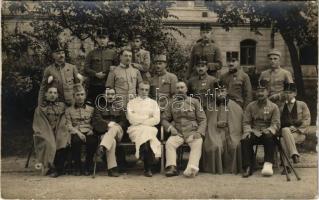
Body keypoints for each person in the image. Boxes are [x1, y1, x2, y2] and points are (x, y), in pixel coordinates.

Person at [162, 81, 207, 178]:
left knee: (197, 142)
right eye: (177, 88)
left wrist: (199, 132)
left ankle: (191, 168)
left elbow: (203, 119)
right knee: (170, 143)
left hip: (192, 132)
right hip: (178, 132)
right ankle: (172, 167)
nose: (180, 90)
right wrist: (170, 128)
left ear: (186, 89)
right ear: (175, 90)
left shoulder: (194, 102)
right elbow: (164, 119)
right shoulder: (171, 103)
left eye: (182, 87)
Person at [241, 80, 280, 178]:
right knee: (245, 140)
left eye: (263, 91)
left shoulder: (274, 107)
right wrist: (248, 131)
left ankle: (268, 164)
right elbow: (246, 122)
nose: (260, 93)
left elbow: (276, 123)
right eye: (258, 91)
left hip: (267, 132)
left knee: (269, 137)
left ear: (268, 92)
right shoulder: (251, 106)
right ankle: (248, 167)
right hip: (254, 131)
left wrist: (270, 129)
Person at [202, 80, 243, 174]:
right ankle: (216, 168)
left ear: (227, 91)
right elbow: (208, 124)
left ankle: (232, 168)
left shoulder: (235, 106)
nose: (220, 93)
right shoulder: (210, 107)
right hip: (214, 133)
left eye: (222, 90)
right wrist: (215, 124)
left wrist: (228, 126)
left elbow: (237, 125)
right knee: (215, 146)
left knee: (235, 145)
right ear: (214, 92)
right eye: (217, 91)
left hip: (231, 133)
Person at [33, 81, 69, 177]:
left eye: (55, 93)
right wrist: (49, 133)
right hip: (44, 130)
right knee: (48, 142)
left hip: (58, 130)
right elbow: (40, 123)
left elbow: (64, 120)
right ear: (45, 94)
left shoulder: (62, 106)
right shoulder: (41, 108)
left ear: (57, 95)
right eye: (50, 92)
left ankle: (60, 167)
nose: (53, 95)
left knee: (62, 139)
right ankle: (50, 167)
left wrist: (60, 129)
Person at [126, 81, 161, 177]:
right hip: (135, 129)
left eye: (146, 90)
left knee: (146, 132)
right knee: (146, 135)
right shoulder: (131, 103)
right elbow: (131, 119)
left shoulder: (153, 103)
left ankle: (142, 156)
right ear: (138, 90)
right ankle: (148, 168)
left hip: (149, 128)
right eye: (142, 89)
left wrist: (140, 120)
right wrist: (147, 118)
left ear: (148, 91)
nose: (144, 91)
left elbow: (156, 120)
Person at [92, 88, 128, 177]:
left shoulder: (120, 107)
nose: (110, 96)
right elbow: (97, 122)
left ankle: (102, 147)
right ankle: (112, 169)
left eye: (112, 94)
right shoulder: (98, 107)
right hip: (104, 133)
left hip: (118, 133)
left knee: (115, 128)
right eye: (108, 94)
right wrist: (108, 124)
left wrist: (114, 125)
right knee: (112, 142)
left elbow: (124, 122)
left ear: (115, 96)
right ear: (104, 96)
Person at [65, 83, 98, 175]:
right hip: (76, 132)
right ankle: (77, 166)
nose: (80, 97)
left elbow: (94, 122)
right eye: (78, 95)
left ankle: (88, 165)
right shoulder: (68, 110)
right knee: (75, 141)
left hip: (88, 131)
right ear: (74, 96)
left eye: (82, 94)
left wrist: (92, 129)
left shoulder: (91, 109)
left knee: (92, 141)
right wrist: (78, 133)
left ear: (85, 95)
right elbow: (68, 125)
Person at [279, 82, 311, 173]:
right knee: (285, 130)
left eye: (289, 92)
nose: (287, 95)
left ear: (295, 93)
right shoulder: (281, 107)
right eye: (285, 92)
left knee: (283, 140)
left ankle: (287, 167)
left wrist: (297, 129)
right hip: (285, 133)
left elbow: (307, 119)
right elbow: (278, 121)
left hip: (299, 133)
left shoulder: (302, 104)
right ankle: (294, 154)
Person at [38, 41, 81, 106]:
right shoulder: (49, 70)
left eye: (63, 53)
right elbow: (43, 88)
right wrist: (40, 104)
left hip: (71, 103)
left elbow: (78, 86)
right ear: (53, 55)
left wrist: (79, 102)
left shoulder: (72, 68)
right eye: (58, 53)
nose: (61, 55)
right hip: (57, 104)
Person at [84, 28, 118, 104]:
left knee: (108, 106)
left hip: (109, 85)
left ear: (108, 39)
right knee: (95, 106)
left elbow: (117, 68)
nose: (102, 40)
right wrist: (95, 74)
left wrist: (108, 73)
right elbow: (86, 68)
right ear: (96, 39)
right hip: (94, 85)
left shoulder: (113, 53)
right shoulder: (91, 53)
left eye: (104, 38)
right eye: (100, 38)